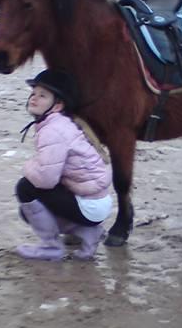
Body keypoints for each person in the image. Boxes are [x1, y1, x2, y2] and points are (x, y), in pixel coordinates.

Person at [15, 69, 113, 261]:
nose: (34, 98)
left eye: (42, 96)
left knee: (25, 188)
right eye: (33, 93)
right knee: (29, 208)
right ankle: (88, 232)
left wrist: (27, 166)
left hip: (89, 206)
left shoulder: (53, 130)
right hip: (95, 202)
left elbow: (46, 180)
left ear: (58, 105)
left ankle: (51, 248)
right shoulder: (60, 123)